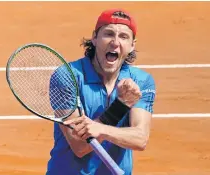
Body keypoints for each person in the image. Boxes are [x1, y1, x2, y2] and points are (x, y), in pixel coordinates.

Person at [46, 8, 156, 175]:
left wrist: (101, 129)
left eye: (124, 36)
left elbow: (140, 139)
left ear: (132, 45)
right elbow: (80, 146)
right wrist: (121, 106)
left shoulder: (141, 81)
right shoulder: (67, 76)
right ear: (95, 38)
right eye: (108, 34)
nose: (115, 42)